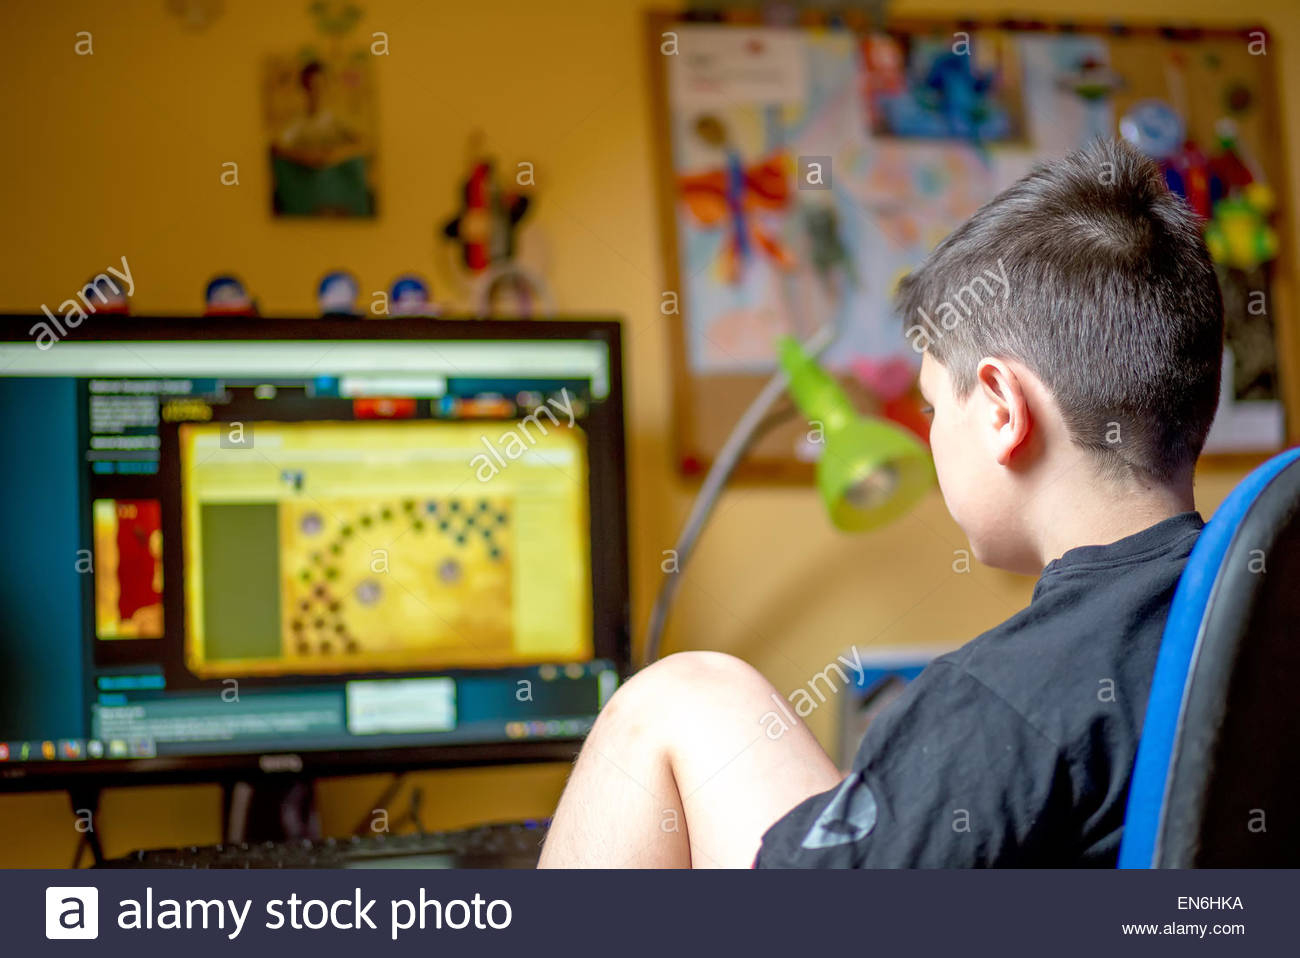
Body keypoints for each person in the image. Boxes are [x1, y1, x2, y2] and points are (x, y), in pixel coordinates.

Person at [538, 139, 1223, 868]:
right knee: (700, 696)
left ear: (1000, 409)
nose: (930, 437)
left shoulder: (997, 702)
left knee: (670, 697)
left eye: (931, 408)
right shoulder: (1250, 613)